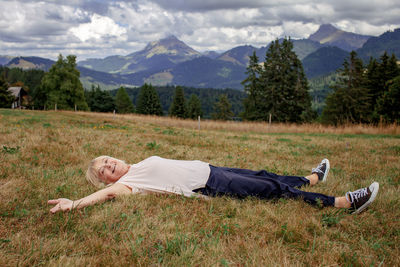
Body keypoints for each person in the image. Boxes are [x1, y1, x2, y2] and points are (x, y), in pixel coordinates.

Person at [48, 156, 379, 215]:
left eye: (107, 161)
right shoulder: (129, 184)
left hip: (212, 168)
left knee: (264, 175)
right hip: (212, 185)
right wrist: (75, 203)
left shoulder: (138, 164)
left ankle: (312, 178)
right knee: (274, 192)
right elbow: (104, 195)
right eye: (105, 171)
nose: (110, 167)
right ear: (108, 180)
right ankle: (342, 203)